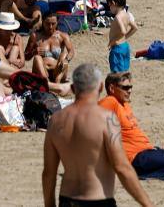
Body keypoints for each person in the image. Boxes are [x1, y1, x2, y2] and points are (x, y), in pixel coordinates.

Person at [43, 64, 153, 207]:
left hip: (67, 200)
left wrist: (50, 205)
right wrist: (148, 204)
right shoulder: (107, 119)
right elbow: (121, 167)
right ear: (101, 87)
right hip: (98, 200)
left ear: (73, 88)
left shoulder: (56, 121)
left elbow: (49, 173)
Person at [26, 13, 74, 83]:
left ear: (57, 22)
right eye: (47, 23)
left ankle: (57, 80)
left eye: (53, 24)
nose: (50, 27)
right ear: (42, 22)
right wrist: (33, 52)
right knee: (37, 58)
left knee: (64, 54)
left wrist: (66, 60)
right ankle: (47, 83)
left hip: (57, 72)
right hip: (41, 71)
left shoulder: (62, 36)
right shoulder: (35, 36)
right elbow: (25, 57)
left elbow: (71, 51)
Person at [107, 0, 136, 73]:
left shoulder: (118, 17)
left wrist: (113, 41)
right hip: (125, 46)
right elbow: (135, 28)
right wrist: (125, 37)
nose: (109, 8)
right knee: (124, 71)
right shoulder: (127, 15)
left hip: (117, 49)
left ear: (113, 3)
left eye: (109, 5)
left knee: (116, 73)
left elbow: (123, 31)